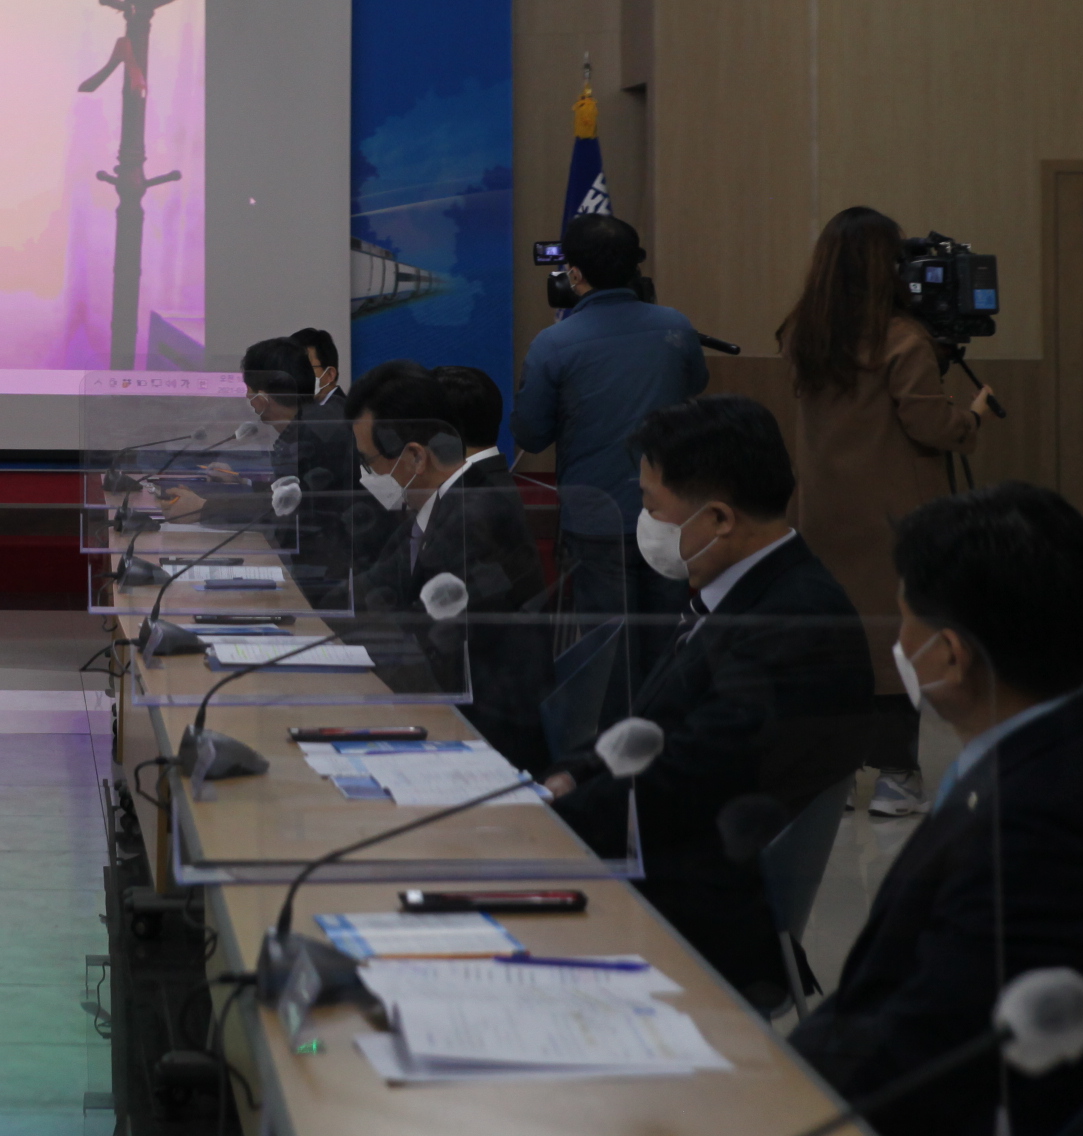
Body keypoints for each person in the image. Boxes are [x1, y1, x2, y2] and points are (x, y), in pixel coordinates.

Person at [791, 483, 1083, 1136]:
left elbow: (929, 1050)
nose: (898, 639)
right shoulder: (1064, 760)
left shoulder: (1043, 826)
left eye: (904, 617)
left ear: (949, 654)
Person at [543, 395, 873, 1007]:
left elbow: (686, 785)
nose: (644, 520)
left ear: (718, 517)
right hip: (656, 867)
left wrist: (540, 828)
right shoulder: (730, 587)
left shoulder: (795, 623)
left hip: (695, 920)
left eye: (652, 506)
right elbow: (646, 733)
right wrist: (566, 778)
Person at [780, 205, 1002, 819]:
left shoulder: (802, 333)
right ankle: (897, 779)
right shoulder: (903, 338)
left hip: (822, 514)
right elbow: (928, 423)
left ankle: (834, 775)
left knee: (837, 644)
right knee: (894, 644)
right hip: (892, 521)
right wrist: (972, 416)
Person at [510, 212, 709, 649]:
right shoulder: (676, 327)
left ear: (575, 274)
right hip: (671, 513)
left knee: (609, 653)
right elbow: (695, 384)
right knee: (667, 646)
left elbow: (531, 435)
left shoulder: (553, 344)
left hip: (595, 517)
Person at [348, 362, 549, 770]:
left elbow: (429, 651)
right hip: (443, 711)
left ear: (415, 456)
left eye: (370, 462)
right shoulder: (441, 507)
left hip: (479, 741)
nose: (369, 475)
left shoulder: (472, 523)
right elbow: (373, 589)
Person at [241, 336, 367, 607]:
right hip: (321, 566)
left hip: (326, 580)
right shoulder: (311, 424)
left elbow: (288, 508)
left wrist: (205, 508)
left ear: (262, 397)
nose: (247, 398)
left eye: (248, 390)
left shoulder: (312, 436)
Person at [290, 327, 343, 414]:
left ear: (330, 374)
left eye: (305, 368)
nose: (297, 375)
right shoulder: (301, 412)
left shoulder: (343, 415)